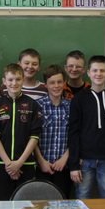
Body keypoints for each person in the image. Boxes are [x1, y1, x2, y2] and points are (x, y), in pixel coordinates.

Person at [69, 55, 105, 199]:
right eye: (95, 70)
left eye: (102, 70)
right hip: (84, 162)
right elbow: (73, 132)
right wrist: (74, 165)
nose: (98, 74)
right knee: (82, 200)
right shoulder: (78, 100)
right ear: (88, 73)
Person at [0, 63, 43, 199]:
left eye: (18, 79)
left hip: (26, 164)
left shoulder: (33, 105)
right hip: (3, 165)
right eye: (10, 79)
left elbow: (34, 137)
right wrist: (9, 164)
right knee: (3, 204)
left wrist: (19, 163)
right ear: (4, 81)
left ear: (23, 79)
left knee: (25, 205)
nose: (14, 83)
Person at [35, 64, 72, 197]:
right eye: (52, 83)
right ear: (46, 85)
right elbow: (32, 137)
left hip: (64, 166)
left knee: (62, 202)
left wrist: (65, 158)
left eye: (59, 82)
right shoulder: (37, 106)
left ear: (64, 83)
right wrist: (41, 161)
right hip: (42, 166)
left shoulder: (71, 107)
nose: (56, 86)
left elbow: (76, 135)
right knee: (41, 203)